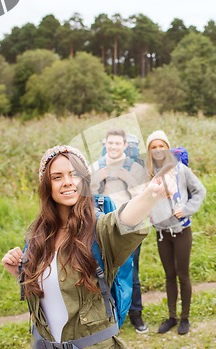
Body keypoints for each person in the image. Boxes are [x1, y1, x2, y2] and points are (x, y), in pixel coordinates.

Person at [1, 145, 174, 349]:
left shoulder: (98, 230)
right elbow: (48, 294)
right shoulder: (38, 236)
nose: (67, 182)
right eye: (57, 177)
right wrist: (20, 272)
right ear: (47, 185)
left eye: (74, 175)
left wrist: (150, 195)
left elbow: (123, 222)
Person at [146, 130, 206, 335]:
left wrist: (187, 209)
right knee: (169, 275)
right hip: (162, 233)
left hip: (181, 231)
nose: (158, 150)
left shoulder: (180, 170)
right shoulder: (148, 173)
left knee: (183, 275)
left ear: (167, 148)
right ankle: (171, 317)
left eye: (161, 146)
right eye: (153, 147)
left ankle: (185, 318)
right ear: (149, 151)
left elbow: (200, 190)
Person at [90, 129, 149, 334]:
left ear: (125, 145)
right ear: (105, 144)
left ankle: (136, 314)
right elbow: (86, 198)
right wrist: (99, 178)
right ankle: (110, 316)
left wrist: (127, 178)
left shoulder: (134, 168)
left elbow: (142, 199)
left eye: (118, 144)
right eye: (110, 143)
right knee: (103, 273)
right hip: (101, 229)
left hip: (128, 228)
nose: (114, 147)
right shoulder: (95, 167)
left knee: (131, 273)